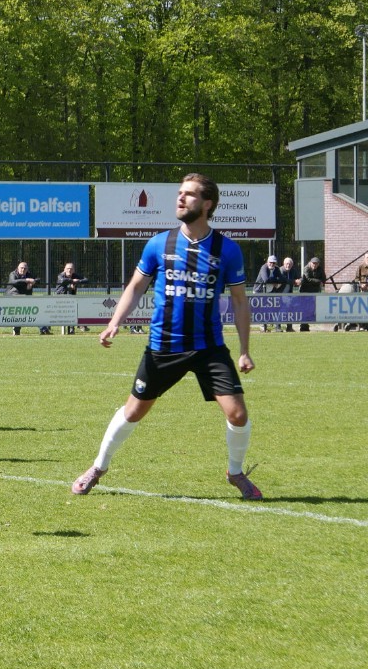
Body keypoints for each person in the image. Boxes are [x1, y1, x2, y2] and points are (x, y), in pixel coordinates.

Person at [71, 173, 261, 501]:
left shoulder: (227, 250)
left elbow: (240, 302)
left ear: (207, 204)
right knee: (134, 411)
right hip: (163, 346)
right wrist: (115, 321)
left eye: (189, 195)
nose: (180, 199)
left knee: (238, 413)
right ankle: (98, 468)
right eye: (179, 193)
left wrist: (244, 349)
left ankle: (235, 472)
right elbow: (136, 286)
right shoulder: (160, 243)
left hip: (208, 347)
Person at [6, 261, 45, 335]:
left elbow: (38, 279)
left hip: (25, 297)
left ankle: (43, 329)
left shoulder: (28, 274)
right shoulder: (13, 274)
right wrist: (27, 280)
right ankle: (16, 330)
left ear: (27, 269)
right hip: (12, 297)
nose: (23, 270)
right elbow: (13, 281)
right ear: (18, 268)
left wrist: (33, 282)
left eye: (25, 268)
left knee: (36, 310)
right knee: (19, 312)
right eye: (21, 268)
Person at [253, 255, 285, 332]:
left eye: (274, 263)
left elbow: (281, 279)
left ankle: (277, 327)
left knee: (275, 308)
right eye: (270, 262)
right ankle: (263, 326)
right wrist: (275, 280)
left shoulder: (276, 269)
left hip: (269, 291)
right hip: (259, 291)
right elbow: (265, 279)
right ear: (267, 262)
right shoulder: (263, 267)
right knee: (262, 309)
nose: (272, 264)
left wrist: (275, 281)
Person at [54, 261, 87, 334]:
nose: (69, 270)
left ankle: (75, 327)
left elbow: (86, 280)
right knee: (70, 310)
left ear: (74, 270)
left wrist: (78, 281)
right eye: (68, 268)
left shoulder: (75, 275)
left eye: (71, 269)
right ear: (64, 269)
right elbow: (63, 281)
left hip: (72, 297)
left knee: (78, 307)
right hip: (61, 297)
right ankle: (79, 325)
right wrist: (72, 281)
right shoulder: (61, 275)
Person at [295, 256, 327, 332]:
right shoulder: (306, 268)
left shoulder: (320, 269)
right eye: (313, 263)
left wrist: (319, 281)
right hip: (305, 292)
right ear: (310, 263)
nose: (314, 265)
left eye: (316, 264)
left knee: (311, 309)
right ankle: (303, 327)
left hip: (315, 292)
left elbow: (324, 278)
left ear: (318, 264)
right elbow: (308, 279)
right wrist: (318, 281)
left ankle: (307, 325)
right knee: (304, 309)